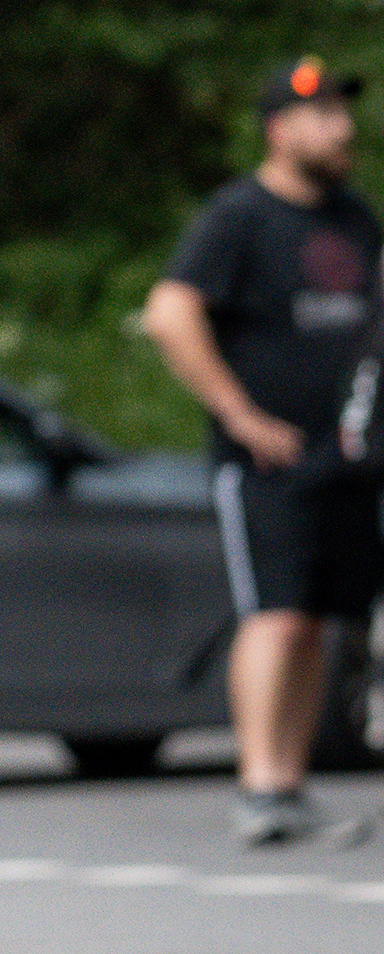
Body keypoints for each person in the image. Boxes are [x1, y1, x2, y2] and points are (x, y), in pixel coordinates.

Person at [141, 58, 382, 844]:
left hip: (346, 455)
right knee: (275, 617)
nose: (342, 128)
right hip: (268, 462)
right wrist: (240, 415)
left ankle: (288, 783)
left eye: (343, 113)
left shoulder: (354, 217)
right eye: (323, 115)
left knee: (315, 623)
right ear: (280, 129)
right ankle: (258, 784)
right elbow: (171, 313)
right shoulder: (240, 215)